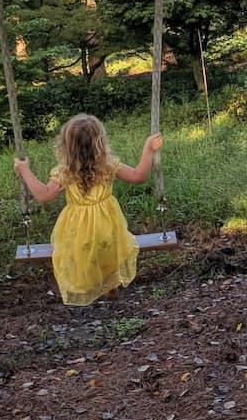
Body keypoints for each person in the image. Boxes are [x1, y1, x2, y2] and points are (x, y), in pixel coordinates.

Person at [14, 114, 163, 306]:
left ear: (66, 145)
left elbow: (44, 196)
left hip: (78, 231)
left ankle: (88, 287)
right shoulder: (108, 165)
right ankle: (110, 286)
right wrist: (148, 149)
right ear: (100, 142)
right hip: (108, 227)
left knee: (81, 254)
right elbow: (138, 176)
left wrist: (25, 170)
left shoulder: (64, 171)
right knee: (107, 248)